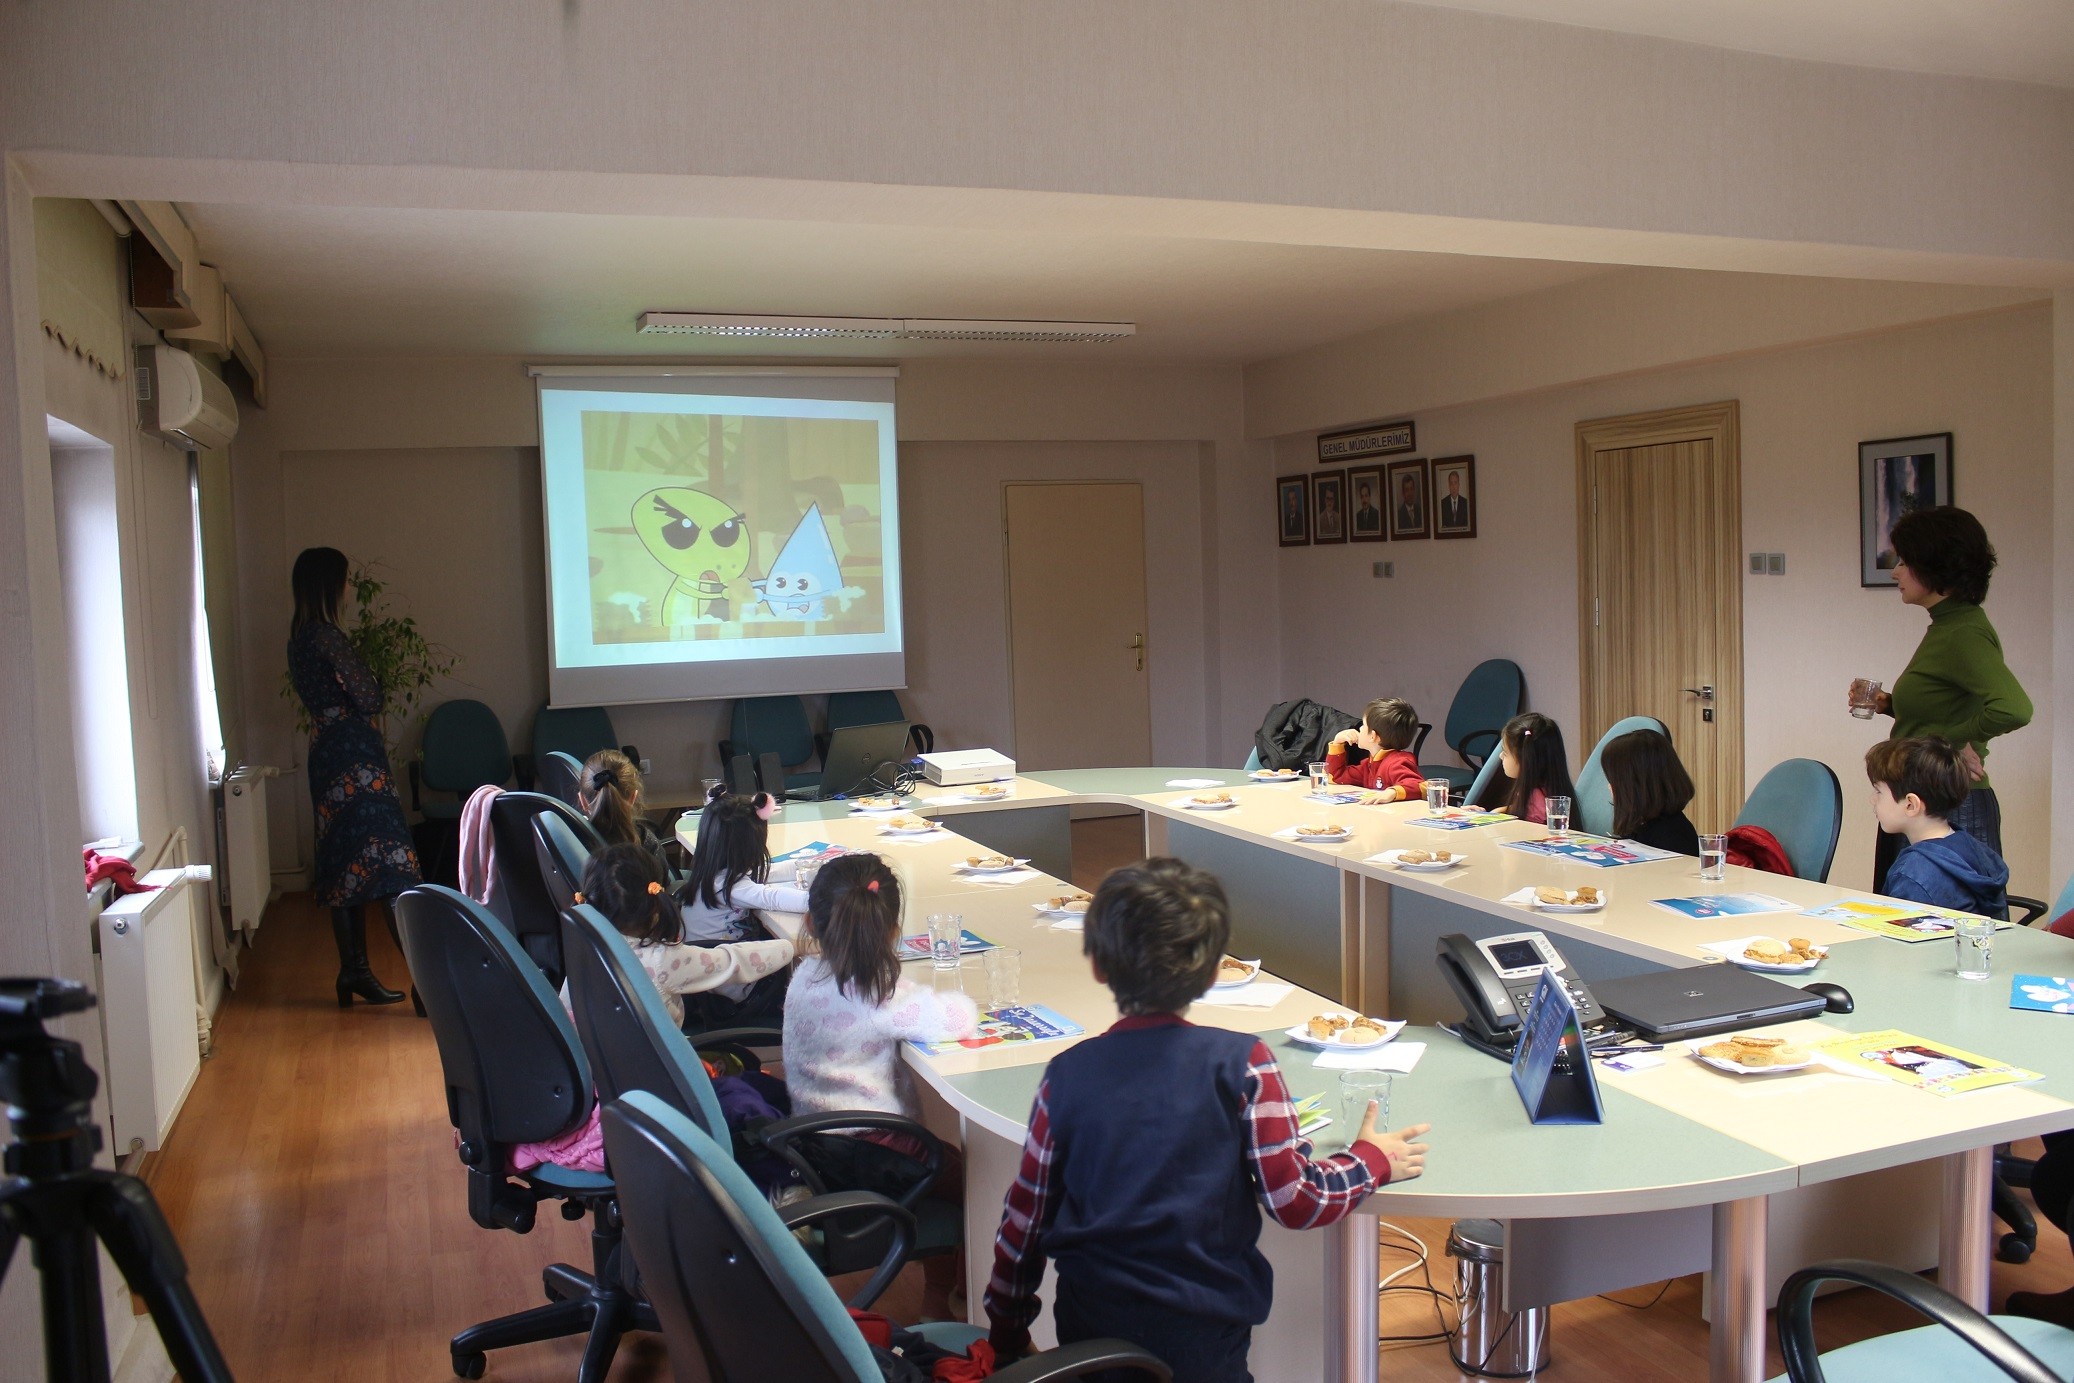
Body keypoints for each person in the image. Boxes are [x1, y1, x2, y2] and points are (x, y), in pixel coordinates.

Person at [984, 858, 1430, 1380]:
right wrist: (1369, 1160)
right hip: (1202, 1335)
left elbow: (1025, 1221)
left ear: (1099, 966)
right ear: (1216, 968)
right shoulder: (1244, 1064)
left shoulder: (1065, 1076)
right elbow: (1297, 1201)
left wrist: (1007, 1331)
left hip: (1090, 1330)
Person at [512, 842, 795, 1173]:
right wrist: (792, 945)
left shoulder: (583, 951)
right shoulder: (662, 960)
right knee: (752, 1082)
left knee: (740, 1069)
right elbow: (733, 962)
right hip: (658, 1090)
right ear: (655, 901)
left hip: (599, 1087)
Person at [783, 852, 978, 1320]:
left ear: (811, 922)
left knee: (944, 1158)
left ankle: (946, 1289)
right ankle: (951, 1295)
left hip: (808, 1138)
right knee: (974, 1179)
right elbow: (961, 1017)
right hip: (866, 1147)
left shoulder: (804, 975)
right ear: (892, 931)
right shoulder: (881, 992)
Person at [1850, 506, 2030, 893]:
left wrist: (1950, 744)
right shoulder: (1949, 625)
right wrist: (1890, 704)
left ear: (1936, 568)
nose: (1895, 571)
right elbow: (1943, 707)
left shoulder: (1963, 632)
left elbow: (2014, 708)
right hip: (1919, 798)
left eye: (1905, 561)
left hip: (1947, 807)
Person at [284, 546, 419, 1007]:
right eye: (343, 581)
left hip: (326, 753)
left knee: (346, 863)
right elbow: (370, 695)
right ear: (330, 585)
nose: (347, 590)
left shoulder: (299, 638)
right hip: (355, 758)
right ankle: (429, 986)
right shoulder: (327, 637)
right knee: (392, 864)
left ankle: (354, 972)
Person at [678, 788, 808, 1026]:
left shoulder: (710, 874)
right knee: (802, 959)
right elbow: (772, 897)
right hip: (735, 990)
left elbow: (763, 877)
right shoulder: (732, 888)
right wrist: (822, 897)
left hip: (711, 978)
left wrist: (805, 863)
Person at [1865, 737, 2009, 919]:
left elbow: (1899, 941)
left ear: (1911, 805)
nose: (1873, 799)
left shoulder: (1912, 874)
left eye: (1878, 792)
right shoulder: (1970, 847)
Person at [1600, 728, 1699, 856]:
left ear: (1635, 786)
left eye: (1614, 780)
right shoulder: (1642, 826)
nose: (1609, 786)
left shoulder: (1670, 838)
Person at [576, 748, 672, 870]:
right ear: (633, 798)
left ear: (582, 801)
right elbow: (663, 885)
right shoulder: (649, 845)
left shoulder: (574, 844)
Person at [1470, 713, 1573, 825]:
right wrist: (1494, 813)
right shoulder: (1548, 790)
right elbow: (1516, 810)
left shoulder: (1537, 801)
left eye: (1505, 752)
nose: (1500, 756)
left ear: (1525, 760)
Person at [1324, 698, 1425, 799]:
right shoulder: (1370, 764)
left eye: (1364, 725)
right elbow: (1335, 777)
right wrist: (1337, 743)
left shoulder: (1397, 762)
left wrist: (1392, 793)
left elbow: (1419, 786)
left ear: (1373, 736)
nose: (1360, 728)